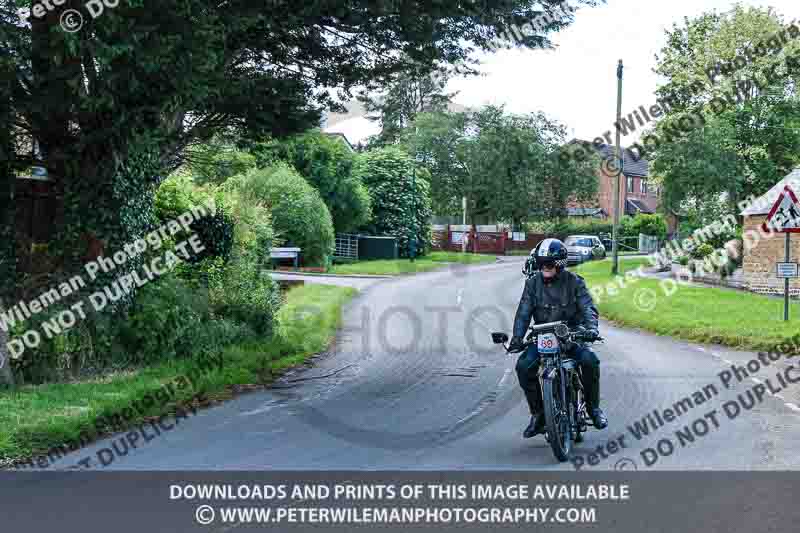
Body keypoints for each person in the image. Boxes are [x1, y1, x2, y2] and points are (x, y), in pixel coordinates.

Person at [510, 238, 608, 438]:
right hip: (543, 338)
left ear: (560, 263)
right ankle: (538, 415)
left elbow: (588, 307)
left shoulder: (575, 282)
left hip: (570, 336)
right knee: (523, 366)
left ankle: (593, 409)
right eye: (542, 262)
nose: (545, 267)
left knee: (590, 360)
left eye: (549, 263)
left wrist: (591, 329)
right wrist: (516, 339)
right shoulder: (532, 284)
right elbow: (523, 313)